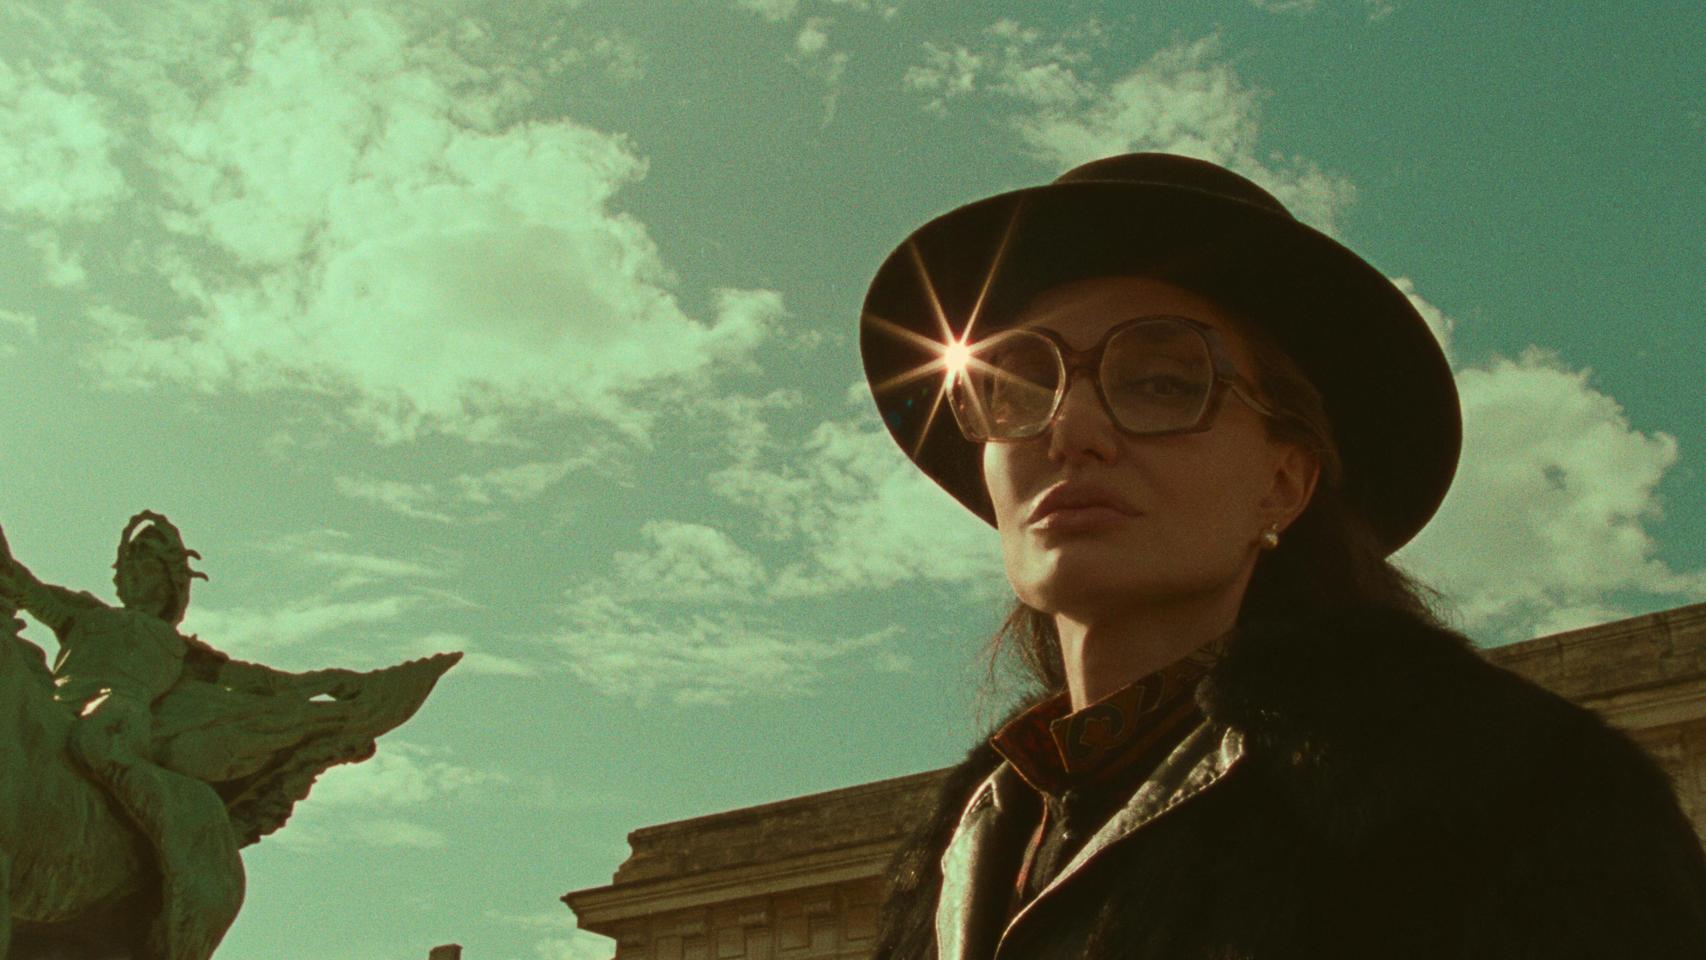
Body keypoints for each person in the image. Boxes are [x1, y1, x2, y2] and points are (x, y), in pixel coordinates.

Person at [856, 154, 1706, 960]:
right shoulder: (958, 852)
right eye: (1019, 386)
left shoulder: (1509, 800)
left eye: (1162, 382)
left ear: (1284, 483)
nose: (1070, 430)